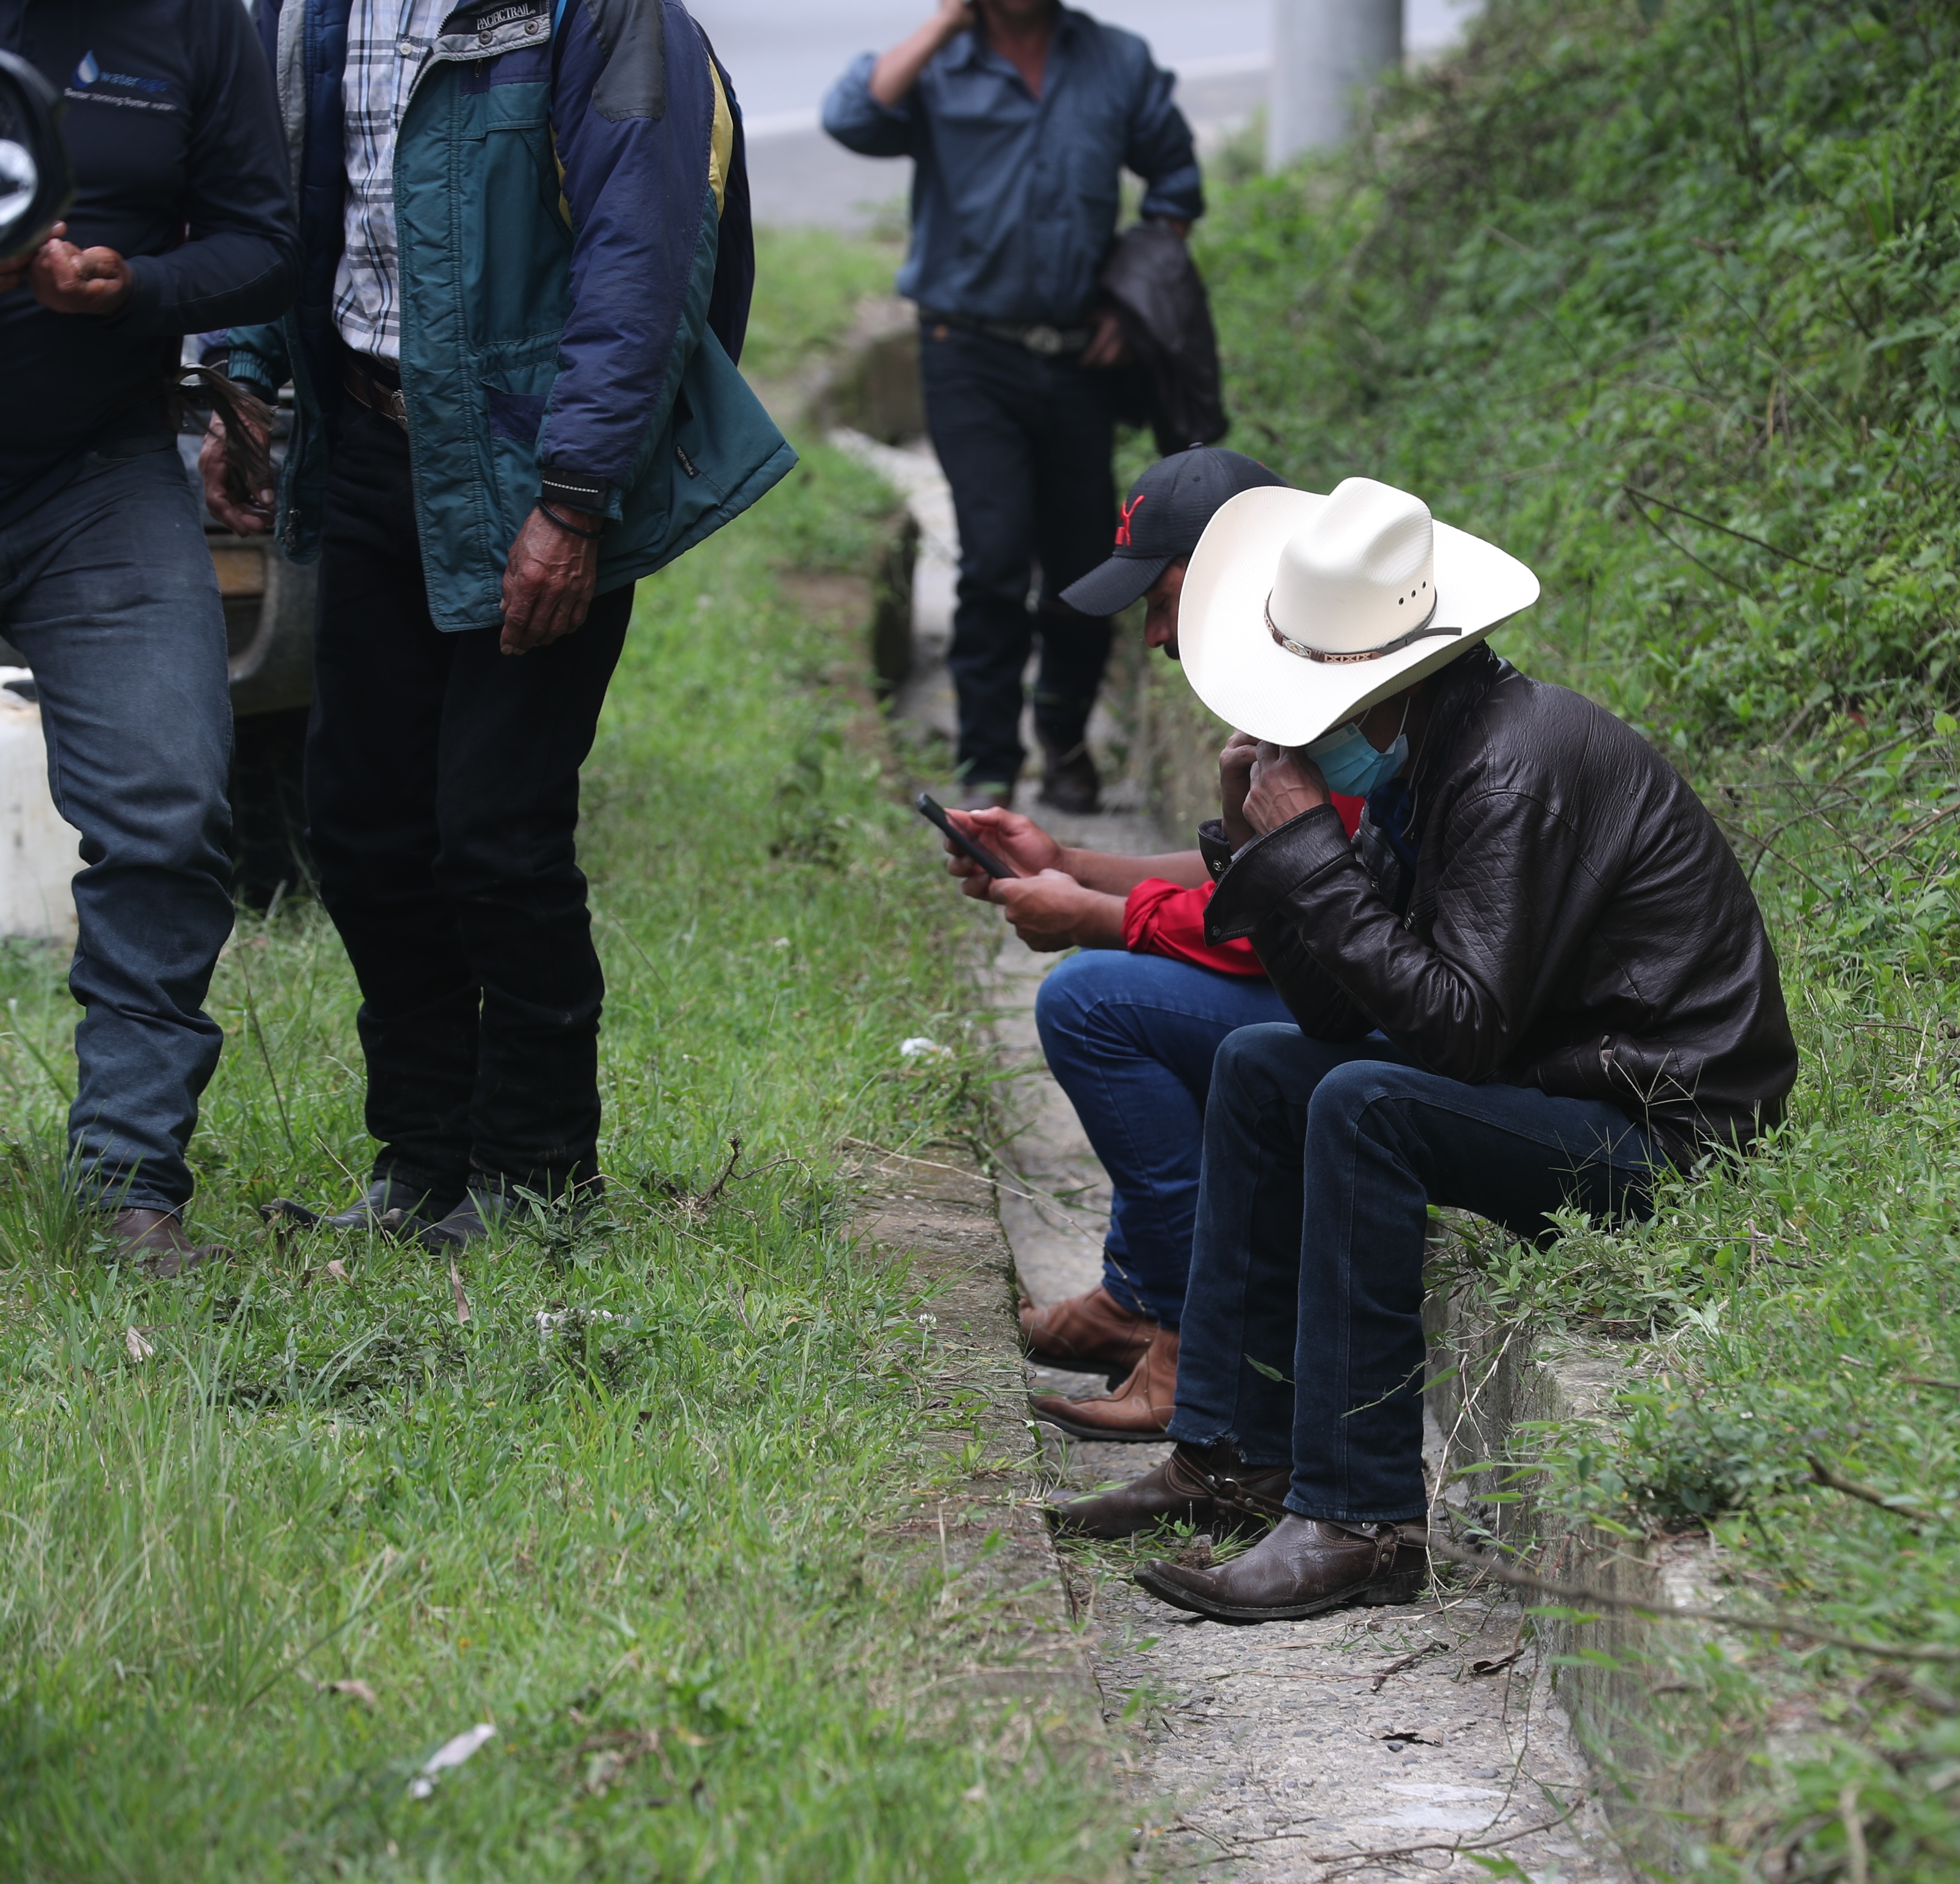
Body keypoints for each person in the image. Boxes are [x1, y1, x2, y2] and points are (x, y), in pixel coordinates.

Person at [1050, 477, 1799, 1619]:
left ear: (1383, 685)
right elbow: (1334, 1014)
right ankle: (1233, 1456)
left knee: (1368, 1107)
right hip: (1558, 1086)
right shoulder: (1428, 754)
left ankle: (1364, 1518)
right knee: (1263, 1070)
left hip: (1667, 1136)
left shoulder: (1508, 768)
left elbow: (1453, 1032)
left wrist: (1312, 853)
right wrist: (1254, 848)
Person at [211, 0, 793, 1248]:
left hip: (535, 465)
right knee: (361, 826)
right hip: (370, 445)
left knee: (497, 833)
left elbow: (646, 254)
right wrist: (241, 370)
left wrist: (575, 499)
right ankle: (421, 1164)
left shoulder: (607, 16)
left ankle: (536, 1175)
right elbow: (282, 194)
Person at [944, 448, 1376, 1444]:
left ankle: (1193, 1335)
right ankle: (1138, 1297)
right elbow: (1261, 879)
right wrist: (1070, 863)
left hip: (1391, 1017)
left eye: (1163, 600)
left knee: (1092, 999)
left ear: (1239, 577)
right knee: (1116, 988)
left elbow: (1296, 927)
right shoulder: (1297, 676)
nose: (1153, 637)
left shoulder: (1340, 692)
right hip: (1362, 989)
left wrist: (1098, 917)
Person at [0, 2, 298, 1273]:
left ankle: (128, 1186)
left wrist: (138, 288)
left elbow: (267, 241)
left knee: (170, 809)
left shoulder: (194, 23)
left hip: (94, 472)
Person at [824, 0, 1200, 814]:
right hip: (967, 354)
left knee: (1082, 566)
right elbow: (851, 116)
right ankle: (988, 760)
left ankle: (1064, 740)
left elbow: (1176, 179)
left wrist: (1132, 300)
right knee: (993, 558)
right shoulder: (940, 65)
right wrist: (944, 23)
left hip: (1080, 360)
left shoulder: (1116, 61)